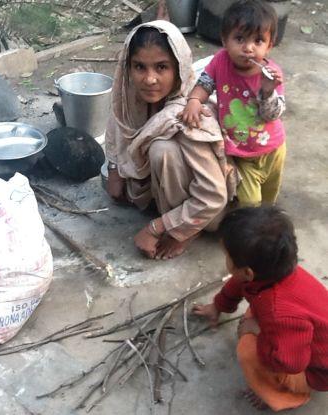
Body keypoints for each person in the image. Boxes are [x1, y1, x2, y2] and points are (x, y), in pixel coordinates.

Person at [105, 20, 238, 260]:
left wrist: (156, 227)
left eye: (161, 67)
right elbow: (116, 129)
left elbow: (213, 196)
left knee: (161, 149)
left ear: (179, 68)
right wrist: (114, 167)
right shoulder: (130, 100)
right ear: (128, 68)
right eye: (139, 67)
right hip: (178, 195)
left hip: (209, 212)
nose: (149, 79)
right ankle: (169, 216)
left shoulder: (188, 116)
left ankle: (184, 232)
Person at [192, 206, 328, 411]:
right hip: (297, 333)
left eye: (227, 255)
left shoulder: (280, 312)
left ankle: (285, 397)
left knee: (248, 351)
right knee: (255, 319)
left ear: (248, 272)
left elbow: (291, 364)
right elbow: (238, 284)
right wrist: (218, 306)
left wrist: (258, 332)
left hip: (317, 370)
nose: (226, 259)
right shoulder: (273, 273)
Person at [180, 0, 286, 207]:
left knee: (268, 200)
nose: (248, 48)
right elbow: (205, 83)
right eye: (239, 39)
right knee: (250, 204)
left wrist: (267, 90)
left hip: (274, 150)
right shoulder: (220, 61)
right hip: (242, 154)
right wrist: (193, 100)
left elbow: (273, 115)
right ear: (224, 40)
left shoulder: (271, 75)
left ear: (269, 45)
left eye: (258, 41)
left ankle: (263, 223)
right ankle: (249, 226)